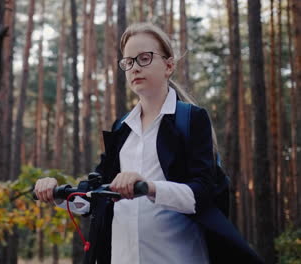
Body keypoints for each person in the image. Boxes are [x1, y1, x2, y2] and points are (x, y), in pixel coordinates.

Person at [34, 22, 263, 264]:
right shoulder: (121, 127)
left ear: (169, 65)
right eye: (129, 62)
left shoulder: (192, 119)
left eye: (144, 58)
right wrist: (58, 194)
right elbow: (98, 197)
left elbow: (201, 194)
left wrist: (149, 187)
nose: (134, 68)